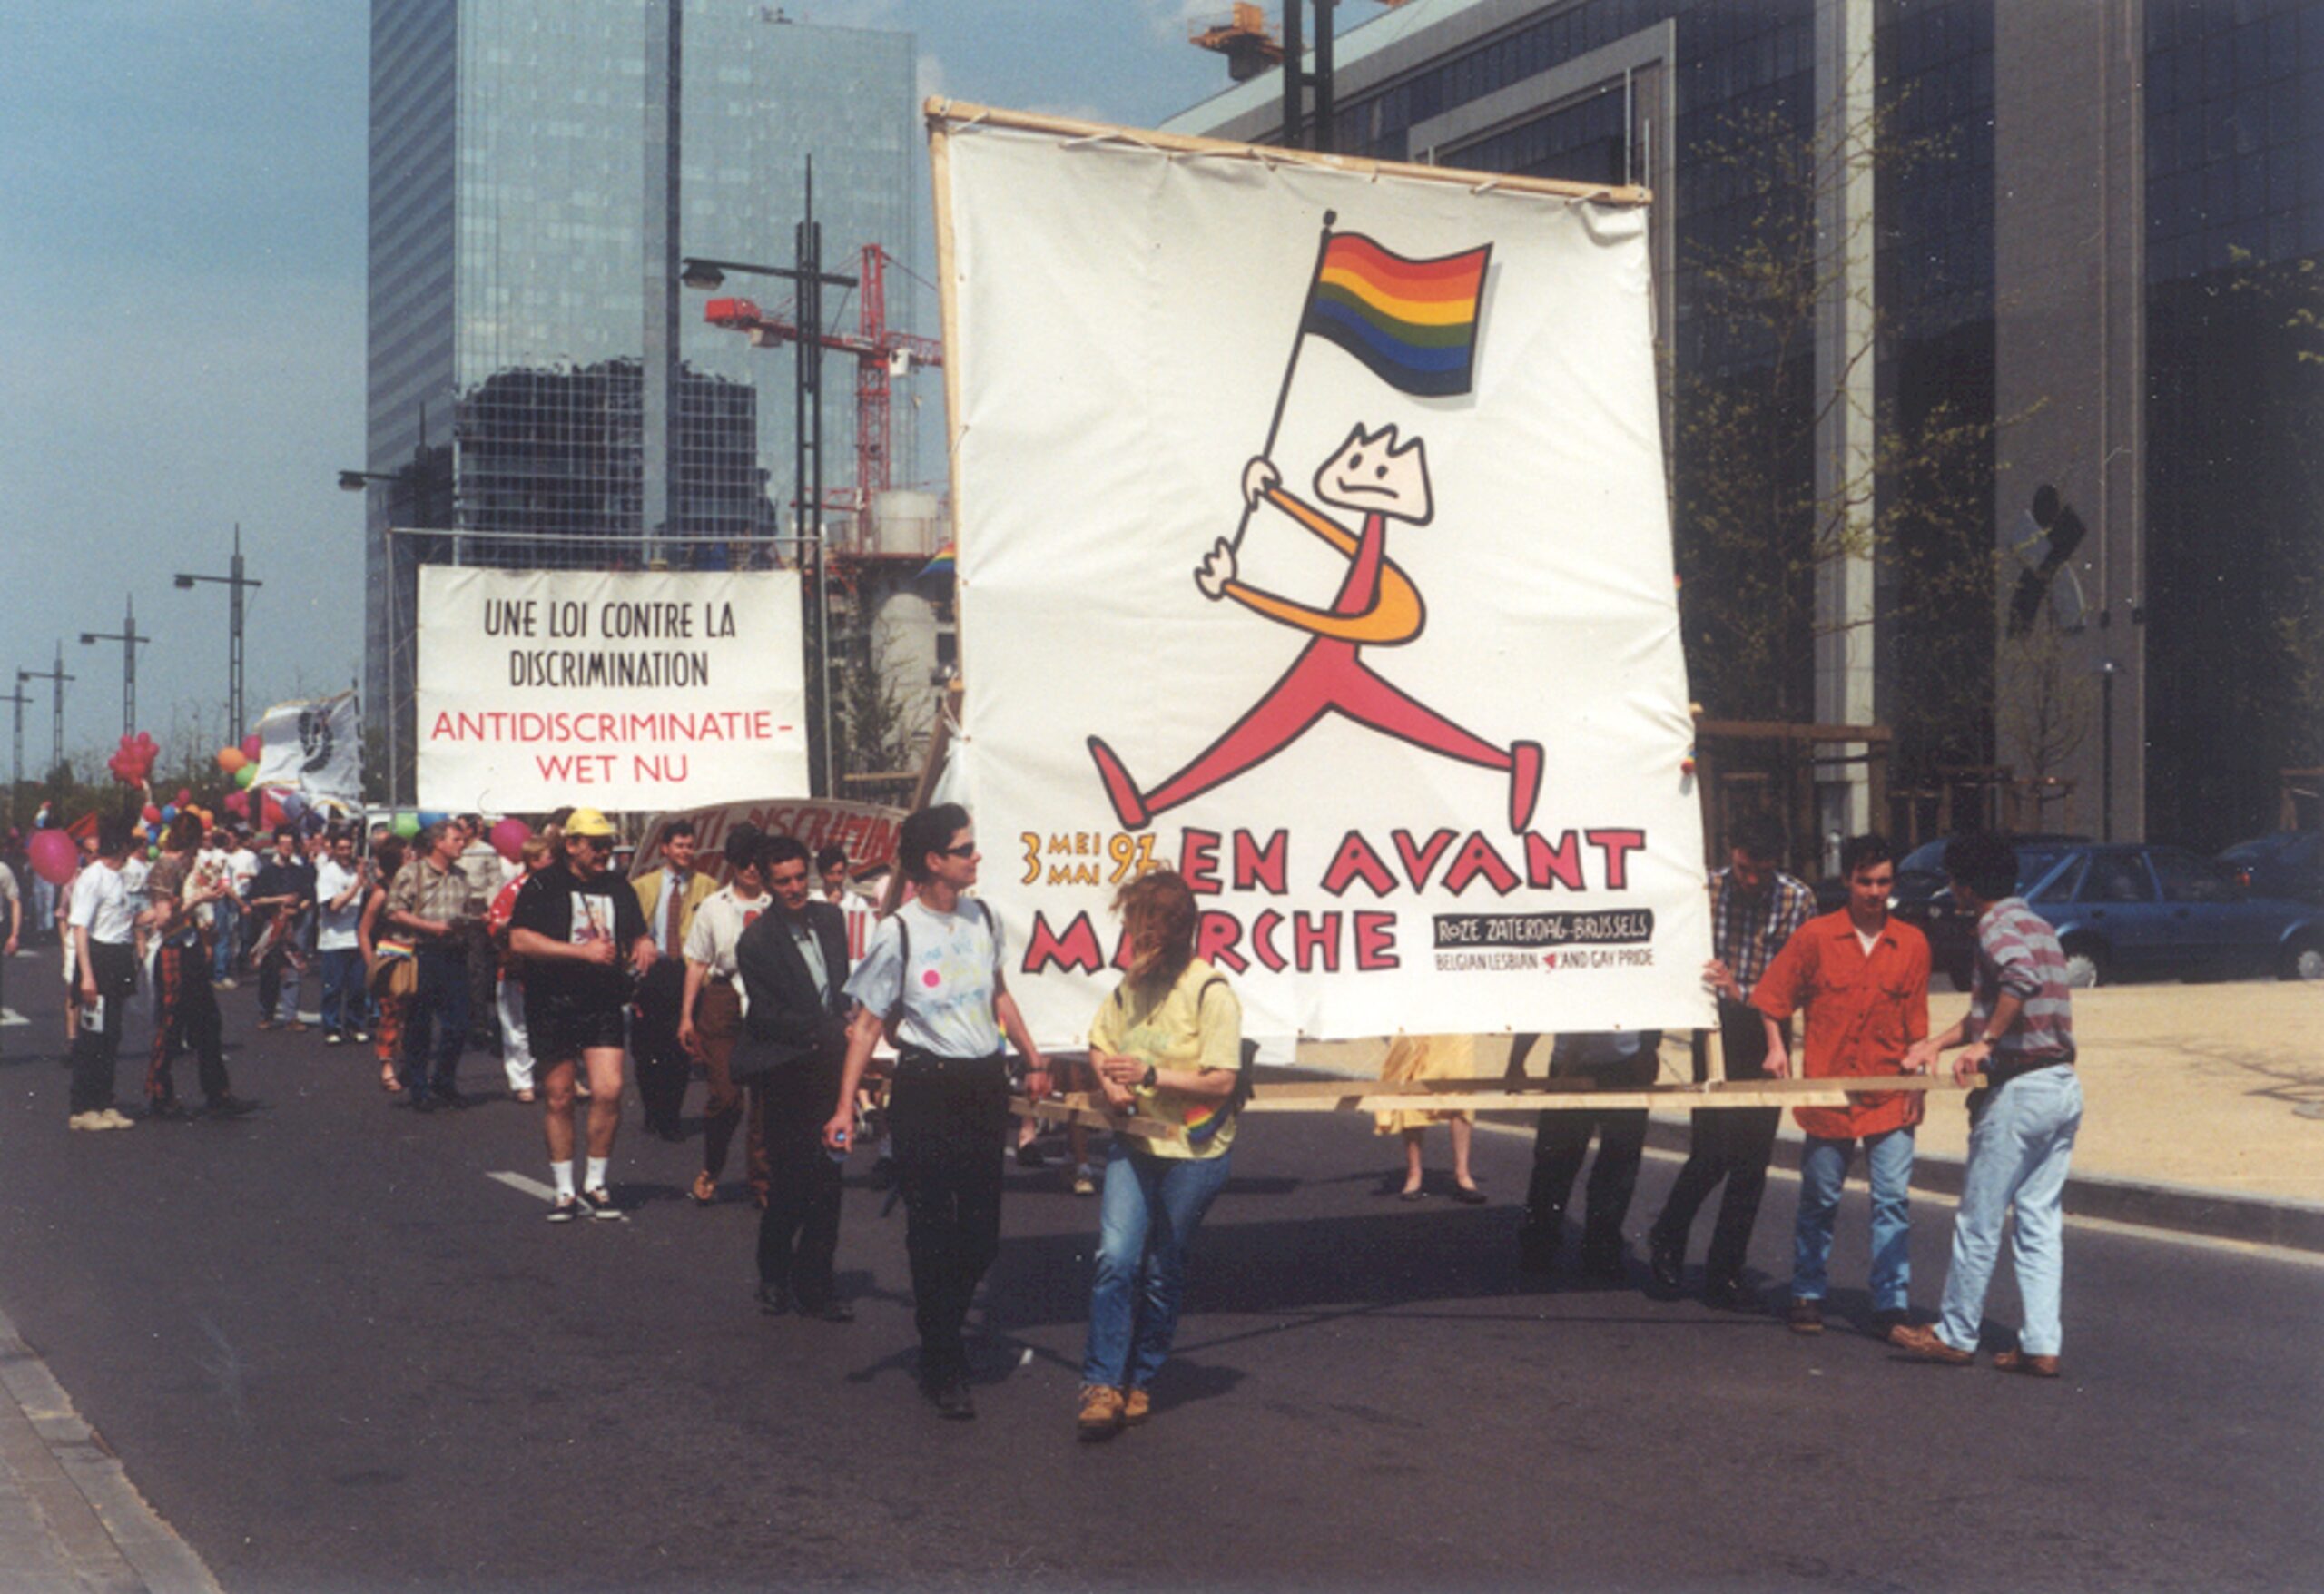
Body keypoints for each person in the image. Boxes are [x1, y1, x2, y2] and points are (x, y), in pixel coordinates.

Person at [822, 804, 1053, 1419]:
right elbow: (868, 1024)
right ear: (933, 862)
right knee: (932, 1227)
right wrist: (845, 1106)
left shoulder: (983, 918)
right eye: (965, 848)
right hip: (925, 1088)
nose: (975, 856)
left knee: (981, 1236)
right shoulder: (898, 932)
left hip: (981, 1086)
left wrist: (1031, 1053)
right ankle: (942, 1356)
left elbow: (997, 990)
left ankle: (941, 1330)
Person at [1892, 833, 2083, 1376]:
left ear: (1968, 886)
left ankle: (1955, 1332)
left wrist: (1987, 1045)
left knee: (1979, 1216)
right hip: (2062, 1085)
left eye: (1953, 881)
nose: (1951, 890)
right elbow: (2005, 1000)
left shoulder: (1995, 925)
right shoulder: (2038, 924)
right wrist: (1936, 1043)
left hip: (2019, 1090)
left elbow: (2016, 981)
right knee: (2039, 1221)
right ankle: (2042, 1342)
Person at [1076, 868, 1244, 1441]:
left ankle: (1140, 1378)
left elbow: (1222, 1081)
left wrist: (1152, 1073)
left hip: (1194, 1153)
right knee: (1115, 1259)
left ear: (1169, 932)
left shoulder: (1211, 991)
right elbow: (1100, 1041)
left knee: (1159, 1270)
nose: (1131, 939)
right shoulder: (1132, 981)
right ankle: (1101, 1384)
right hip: (1134, 1143)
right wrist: (1113, 1083)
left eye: (1139, 929)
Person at [1752, 833, 1931, 1337]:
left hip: (1890, 1093)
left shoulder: (1912, 943)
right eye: (1865, 881)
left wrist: (1918, 1082)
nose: (1876, 892)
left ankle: (1891, 1301)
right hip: (1830, 1093)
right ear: (1848, 881)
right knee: (1820, 1197)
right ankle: (1807, 1291)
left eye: (1884, 882)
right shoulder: (1816, 937)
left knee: (1892, 1200)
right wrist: (1777, 1045)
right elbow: (1774, 995)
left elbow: (1917, 1021)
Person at [1648, 815, 1816, 1306]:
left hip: (1767, 1031)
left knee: (1753, 1160)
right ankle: (1668, 1235)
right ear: (1730, 852)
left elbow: (1795, 977)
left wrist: (1745, 992)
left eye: (1761, 872)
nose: (1751, 881)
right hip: (1715, 1028)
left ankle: (1726, 1268)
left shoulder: (1795, 899)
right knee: (1713, 1148)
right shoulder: (1706, 890)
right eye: (1744, 869)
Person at [508, 808, 654, 1222]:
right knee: (560, 1097)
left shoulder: (617, 886)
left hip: (602, 1000)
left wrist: (644, 945)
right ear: (571, 845)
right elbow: (519, 939)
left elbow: (636, 932)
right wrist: (580, 952)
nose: (604, 852)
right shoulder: (543, 883)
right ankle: (564, 1190)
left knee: (608, 1090)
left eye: (608, 845)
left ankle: (596, 1181)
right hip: (552, 1000)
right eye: (596, 845)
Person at [732, 832, 852, 1317]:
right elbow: (767, 1014)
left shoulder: (831, 919)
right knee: (791, 1180)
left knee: (830, 1179)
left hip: (829, 1066)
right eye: (784, 881)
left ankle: (816, 1285)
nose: (796, 888)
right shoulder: (756, 940)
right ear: (767, 883)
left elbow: (841, 986)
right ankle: (774, 1273)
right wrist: (826, 1027)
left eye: (802, 877)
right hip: (785, 1069)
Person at [1508, 1029, 1662, 1280]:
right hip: (1569, 1065)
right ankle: (1539, 1245)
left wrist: (1649, 1048)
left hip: (1625, 1066)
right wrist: (1516, 1060)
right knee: (1555, 1160)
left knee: (1619, 1163)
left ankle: (1602, 1248)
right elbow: (1537, 1001)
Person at [679, 823, 774, 1209]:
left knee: (766, 1099)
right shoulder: (714, 907)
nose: (751, 870)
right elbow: (698, 963)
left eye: (757, 862)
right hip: (722, 999)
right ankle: (712, 1168)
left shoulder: (777, 904)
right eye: (743, 862)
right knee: (726, 1096)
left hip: (767, 1000)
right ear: (732, 864)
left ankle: (762, 1182)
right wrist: (686, 1016)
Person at [143, 814, 240, 1117]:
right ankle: (159, 1091)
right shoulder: (164, 868)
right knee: (171, 1022)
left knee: (208, 1020)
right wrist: (198, 900)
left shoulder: (184, 866)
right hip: (170, 949)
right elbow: (163, 919)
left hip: (188, 945)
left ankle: (217, 1091)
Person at [631, 818, 717, 1141]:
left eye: (690, 846)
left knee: (680, 1045)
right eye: (679, 846)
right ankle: (652, 1109)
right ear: (665, 849)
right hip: (653, 971)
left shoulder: (707, 886)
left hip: (687, 971)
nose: (686, 852)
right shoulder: (643, 885)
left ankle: (670, 1115)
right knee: (647, 1047)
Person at [386, 821, 477, 1107]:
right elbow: (394, 911)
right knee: (419, 1025)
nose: (462, 844)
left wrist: (470, 923)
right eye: (456, 839)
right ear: (438, 842)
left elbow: (466, 911)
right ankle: (419, 1087)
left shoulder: (461, 876)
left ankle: (444, 1080)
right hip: (422, 954)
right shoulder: (412, 873)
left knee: (459, 1024)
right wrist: (430, 926)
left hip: (454, 955)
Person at [67, 816, 140, 1131]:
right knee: (93, 1038)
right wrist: (87, 975)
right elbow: (80, 928)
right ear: (121, 845)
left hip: (119, 958)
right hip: (98, 958)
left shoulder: (120, 877)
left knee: (111, 1034)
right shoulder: (92, 878)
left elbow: (127, 919)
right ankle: (82, 1109)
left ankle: (104, 1102)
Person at [1373, 1033, 1486, 1203]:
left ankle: (1462, 1174)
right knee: (1414, 1086)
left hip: (1455, 1018)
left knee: (1461, 1083)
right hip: (1417, 1015)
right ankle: (1414, 1173)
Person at [487, 835, 554, 1103]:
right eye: (549, 858)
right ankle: (522, 1081)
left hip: (551, 967)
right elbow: (495, 925)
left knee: (552, 1025)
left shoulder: (557, 889)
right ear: (534, 861)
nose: (553, 862)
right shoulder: (513, 891)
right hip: (518, 968)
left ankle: (560, 1077)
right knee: (517, 1027)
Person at [247, 825, 314, 1032]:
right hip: (272, 924)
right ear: (276, 845)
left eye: (291, 844)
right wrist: (280, 901)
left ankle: (291, 1015)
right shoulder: (266, 872)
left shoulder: (300, 872)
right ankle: (266, 1013)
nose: (287, 848)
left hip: (295, 925)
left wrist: (298, 908)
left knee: (294, 968)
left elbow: (308, 897)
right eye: (283, 844)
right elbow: (255, 900)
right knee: (269, 969)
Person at [359, 835, 411, 1093]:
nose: (412, 857)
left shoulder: (412, 886)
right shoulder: (381, 893)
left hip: (413, 957)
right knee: (390, 1013)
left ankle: (407, 1061)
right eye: (407, 854)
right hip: (390, 958)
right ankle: (387, 1065)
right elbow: (364, 931)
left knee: (411, 1013)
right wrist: (372, 965)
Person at [314, 830, 369, 1045]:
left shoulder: (358, 870)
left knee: (357, 987)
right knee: (334, 987)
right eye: (341, 849)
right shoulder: (328, 873)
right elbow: (333, 906)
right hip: (334, 939)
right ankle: (331, 1027)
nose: (346, 853)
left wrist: (364, 876)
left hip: (357, 938)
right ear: (333, 850)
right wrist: (356, 886)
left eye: (349, 848)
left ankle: (355, 1025)